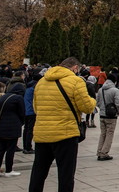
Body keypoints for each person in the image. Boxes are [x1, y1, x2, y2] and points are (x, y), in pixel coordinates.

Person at [29, 57, 97, 192]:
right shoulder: (76, 81)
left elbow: (36, 107)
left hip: (42, 133)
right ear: (75, 68)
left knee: (39, 172)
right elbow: (87, 107)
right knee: (66, 174)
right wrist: (93, 99)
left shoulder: (42, 82)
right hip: (65, 134)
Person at [0, 81, 25, 178]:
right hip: (13, 125)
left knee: (0, 149)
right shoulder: (18, 98)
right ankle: (9, 170)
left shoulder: (4, 96)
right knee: (11, 149)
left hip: (1, 124)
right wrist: (21, 122)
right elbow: (22, 112)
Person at [95, 74, 119, 161]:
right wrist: (117, 112)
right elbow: (118, 103)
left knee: (103, 134)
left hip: (102, 115)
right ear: (114, 81)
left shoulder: (100, 90)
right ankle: (104, 153)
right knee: (109, 134)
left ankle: (99, 151)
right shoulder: (115, 90)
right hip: (111, 116)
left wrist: (102, 108)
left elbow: (97, 102)